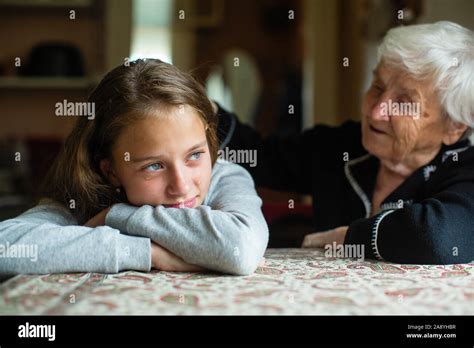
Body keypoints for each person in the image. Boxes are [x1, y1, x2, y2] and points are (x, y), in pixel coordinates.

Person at [215, 21, 474, 264]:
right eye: (377, 87)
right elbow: (262, 157)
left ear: (454, 126)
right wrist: (206, 113)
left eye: (404, 103)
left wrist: (347, 238)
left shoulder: (465, 170)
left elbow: (439, 238)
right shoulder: (340, 147)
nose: (375, 112)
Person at [0, 59, 268, 276]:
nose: (182, 185)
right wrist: (146, 253)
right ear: (111, 171)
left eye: (195, 155)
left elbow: (240, 249)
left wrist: (117, 216)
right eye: (154, 166)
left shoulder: (225, 176)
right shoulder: (89, 193)